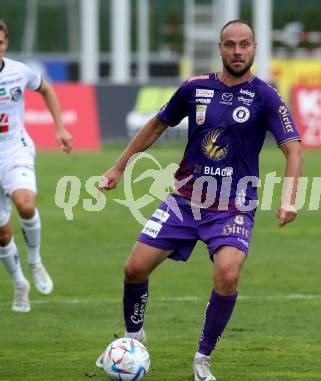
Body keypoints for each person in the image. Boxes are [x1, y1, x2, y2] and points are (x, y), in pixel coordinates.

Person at [96, 20, 303, 380]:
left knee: (228, 273)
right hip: (184, 199)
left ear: (254, 48)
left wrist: (289, 199)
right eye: (230, 45)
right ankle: (134, 340)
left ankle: (202, 359)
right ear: (220, 49)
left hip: (232, 205)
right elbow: (156, 126)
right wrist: (118, 168)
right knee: (134, 269)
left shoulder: (266, 96)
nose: (237, 51)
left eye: (244, 45)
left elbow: (293, 150)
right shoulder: (195, 88)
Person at [0, 19, 72, 313]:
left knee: (26, 204)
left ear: (5, 43)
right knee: (3, 235)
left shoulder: (19, 72)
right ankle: (20, 283)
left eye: (0, 41)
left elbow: (46, 90)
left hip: (16, 149)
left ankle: (34, 259)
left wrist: (60, 128)